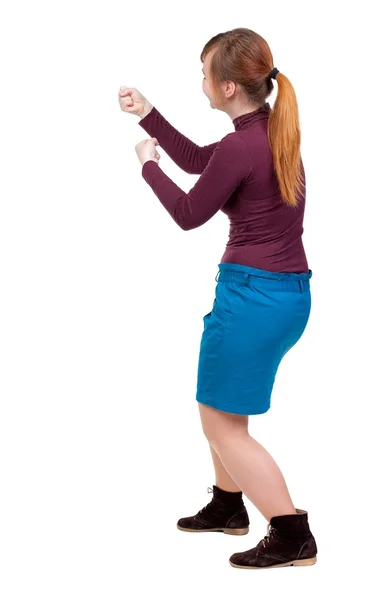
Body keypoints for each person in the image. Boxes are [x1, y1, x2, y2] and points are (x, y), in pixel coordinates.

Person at [118, 27, 317, 570]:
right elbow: (202, 161)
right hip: (285, 296)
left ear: (229, 86)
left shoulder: (242, 144)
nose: (201, 82)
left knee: (220, 422)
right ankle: (230, 506)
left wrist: (146, 164)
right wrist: (149, 114)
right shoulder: (272, 130)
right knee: (219, 407)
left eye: (205, 73)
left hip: (251, 298)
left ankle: (292, 532)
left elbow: (188, 214)